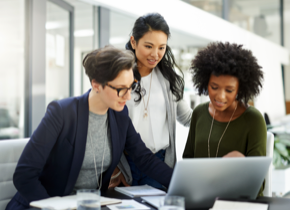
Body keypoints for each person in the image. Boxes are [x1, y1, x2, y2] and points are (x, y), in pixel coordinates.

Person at [6, 46, 173, 210]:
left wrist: (178, 183)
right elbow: (24, 175)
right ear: (96, 85)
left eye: (131, 87)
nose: (128, 96)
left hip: (90, 205)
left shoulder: (119, 116)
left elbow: (144, 158)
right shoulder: (62, 113)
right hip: (47, 204)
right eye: (121, 89)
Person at [109, 13, 192, 189]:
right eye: (149, 46)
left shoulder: (169, 79)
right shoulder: (118, 76)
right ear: (133, 42)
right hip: (125, 164)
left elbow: (187, 117)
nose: (155, 54)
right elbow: (106, 124)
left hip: (159, 163)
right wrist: (115, 167)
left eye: (162, 48)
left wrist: (221, 111)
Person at [182, 42, 267, 196]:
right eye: (214, 87)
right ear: (205, 82)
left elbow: (258, 184)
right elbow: (188, 161)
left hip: (237, 201)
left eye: (229, 90)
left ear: (240, 89)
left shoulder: (253, 120)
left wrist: (242, 165)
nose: (220, 96)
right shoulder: (199, 113)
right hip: (201, 197)